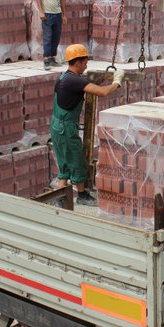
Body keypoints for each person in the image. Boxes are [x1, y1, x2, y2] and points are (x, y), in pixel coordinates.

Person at [51, 44, 124, 206]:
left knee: (64, 161)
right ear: (77, 62)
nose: (86, 64)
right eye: (85, 61)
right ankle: (82, 195)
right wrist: (117, 81)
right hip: (66, 127)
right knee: (77, 160)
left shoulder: (64, 77)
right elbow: (102, 92)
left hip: (57, 125)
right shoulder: (74, 81)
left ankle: (60, 196)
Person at [37, 0, 67, 70]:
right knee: (47, 36)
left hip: (57, 14)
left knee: (56, 37)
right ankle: (46, 59)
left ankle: (52, 58)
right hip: (47, 14)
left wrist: (64, 15)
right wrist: (41, 11)